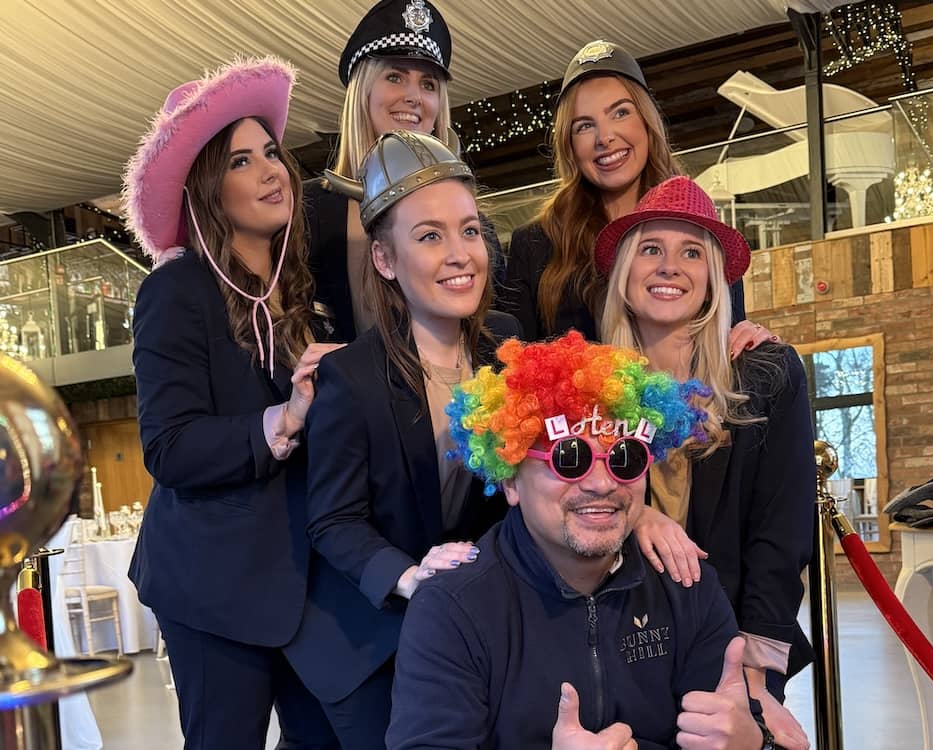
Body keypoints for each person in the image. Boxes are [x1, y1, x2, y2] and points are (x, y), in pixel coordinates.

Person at [387, 333, 773, 750]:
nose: (602, 483)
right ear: (510, 480)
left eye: (626, 457)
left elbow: (734, 724)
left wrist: (755, 742)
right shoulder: (452, 608)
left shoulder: (688, 587)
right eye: (570, 458)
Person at [123, 57, 340, 748]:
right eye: (242, 161)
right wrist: (283, 420)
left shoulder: (304, 292)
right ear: (208, 190)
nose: (272, 170)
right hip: (211, 585)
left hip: (308, 585)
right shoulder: (175, 290)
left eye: (272, 153)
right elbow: (169, 447)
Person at [283, 130, 520, 748]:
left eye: (469, 231)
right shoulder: (351, 376)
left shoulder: (509, 350)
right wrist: (410, 576)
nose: (460, 254)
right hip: (369, 641)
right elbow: (333, 520)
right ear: (386, 260)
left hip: (469, 630)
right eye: (430, 236)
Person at [597, 175, 814, 750]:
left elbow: (780, 536)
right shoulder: (590, 381)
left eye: (692, 252)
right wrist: (635, 512)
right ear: (625, 273)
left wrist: (756, 672)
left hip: (730, 647)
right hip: (618, 644)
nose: (670, 267)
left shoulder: (766, 374)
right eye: (651, 249)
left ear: (715, 278)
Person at [500, 40, 770, 354]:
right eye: (584, 126)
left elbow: (728, 342)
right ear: (569, 144)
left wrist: (751, 340)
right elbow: (513, 363)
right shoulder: (535, 244)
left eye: (620, 112)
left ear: (646, 120)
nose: (604, 137)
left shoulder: (700, 226)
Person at [305, 0, 453, 342]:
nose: (414, 96)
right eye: (395, 77)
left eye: (428, 84)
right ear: (364, 92)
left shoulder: (468, 214)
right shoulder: (306, 210)